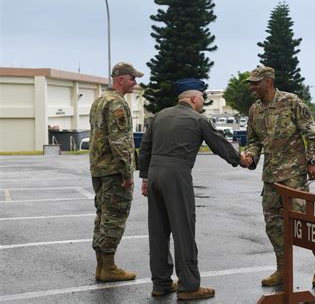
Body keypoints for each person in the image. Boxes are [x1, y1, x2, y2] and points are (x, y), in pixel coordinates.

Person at [139, 78, 248, 300]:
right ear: (194, 98)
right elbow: (219, 144)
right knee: (183, 231)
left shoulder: (159, 116)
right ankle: (189, 286)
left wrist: (144, 178)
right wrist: (241, 160)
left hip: (155, 175)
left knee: (158, 231)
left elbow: (145, 148)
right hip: (176, 176)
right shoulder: (198, 119)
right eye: (202, 99)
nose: (203, 103)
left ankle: (160, 283)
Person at [241, 66, 315, 287]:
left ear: (268, 82)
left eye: (255, 83)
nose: (252, 87)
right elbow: (253, 141)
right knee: (273, 224)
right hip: (270, 175)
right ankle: (283, 269)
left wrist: (313, 161)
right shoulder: (255, 110)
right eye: (250, 83)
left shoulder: (291, 102)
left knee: (301, 221)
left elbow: (312, 131)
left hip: (294, 173)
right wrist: (250, 155)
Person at [89, 62, 143, 281]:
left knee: (102, 216)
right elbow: (119, 141)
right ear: (121, 79)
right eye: (132, 78)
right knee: (115, 217)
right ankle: (109, 267)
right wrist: (127, 174)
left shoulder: (99, 100)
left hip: (100, 169)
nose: (135, 83)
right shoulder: (117, 104)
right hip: (114, 171)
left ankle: (102, 266)